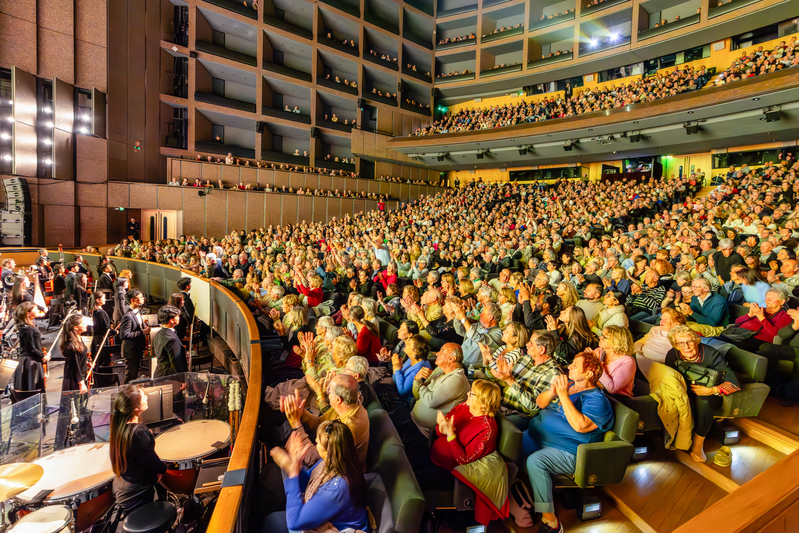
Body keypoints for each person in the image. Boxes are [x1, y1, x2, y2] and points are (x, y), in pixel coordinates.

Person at [524, 352, 615, 533]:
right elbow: (540, 403)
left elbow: (581, 426)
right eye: (571, 363)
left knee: (535, 462)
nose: (569, 367)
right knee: (510, 450)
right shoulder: (570, 385)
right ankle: (523, 504)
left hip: (569, 452)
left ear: (589, 373)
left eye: (575, 365)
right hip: (538, 437)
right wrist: (552, 391)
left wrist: (564, 396)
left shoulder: (597, 399)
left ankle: (551, 523)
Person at [263, 420, 368, 533]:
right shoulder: (336, 461)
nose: (315, 440)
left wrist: (292, 473)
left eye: (318, 442)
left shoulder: (337, 487)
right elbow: (308, 480)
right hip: (329, 518)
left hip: (334, 528)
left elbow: (294, 523)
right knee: (272, 520)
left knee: (272, 523)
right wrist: (296, 464)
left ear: (328, 452)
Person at [429, 379, 505, 525]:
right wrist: (442, 426)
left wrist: (451, 434)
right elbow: (439, 432)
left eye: (473, 394)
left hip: (448, 471)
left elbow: (464, 460)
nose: (467, 394)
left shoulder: (488, 429)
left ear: (483, 404)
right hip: (433, 455)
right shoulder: (464, 406)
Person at [664, 326, 740, 462]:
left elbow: (734, 383)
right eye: (680, 343)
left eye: (689, 341)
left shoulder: (712, 355)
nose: (686, 346)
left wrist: (712, 390)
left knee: (704, 402)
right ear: (675, 345)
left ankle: (698, 445)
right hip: (684, 391)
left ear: (696, 341)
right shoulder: (672, 354)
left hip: (710, 393)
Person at [110, 384, 167, 514]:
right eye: (143, 397)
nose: (146, 397)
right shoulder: (138, 434)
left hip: (123, 486)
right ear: (136, 408)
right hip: (136, 493)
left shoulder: (120, 426)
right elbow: (155, 464)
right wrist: (162, 470)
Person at [411, 343, 470, 438]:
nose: (437, 354)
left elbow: (430, 401)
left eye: (442, 351)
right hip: (412, 419)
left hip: (422, 431)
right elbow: (417, 395)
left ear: (452, 359)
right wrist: (417, 379)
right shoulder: (439, 370)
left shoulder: (457, 379)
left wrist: (422, 385)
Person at [12, 302, 48, 393]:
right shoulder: (27, 328)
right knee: (32, 389)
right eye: (35, 309)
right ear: (28, 313)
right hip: (30, 362)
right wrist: (42, 356)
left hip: (31, 360)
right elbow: (31, 348)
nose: (38, 310)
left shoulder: (27, 327)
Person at [119, 289, 151, 383]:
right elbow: (124, 334)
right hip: (131, 350)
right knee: (130, 376)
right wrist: (142, 332)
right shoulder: (128, 316)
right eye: (140, 297)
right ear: (133, 300)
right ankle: (126, 395)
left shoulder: (138, 311)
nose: (143, 299)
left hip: (137, 348)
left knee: (134, 374)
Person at [595, 325, 636, 397]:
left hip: (618, 400)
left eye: (604, 337)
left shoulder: (627, 361)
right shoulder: (598, 351)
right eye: (602, 335)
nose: (600, 337)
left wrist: (599, 367)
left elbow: (612, 389)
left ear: (616, 342)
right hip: (599, 393)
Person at [392, 334, 431, 403]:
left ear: (415, 351)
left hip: (406, 403)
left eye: (409, 343)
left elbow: (402, 392)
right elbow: (394, 380)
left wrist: (397, 368)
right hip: (396, 390)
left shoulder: (418, 368)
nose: (406, 342)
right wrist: (396, 367)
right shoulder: (412, 359)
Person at [153, 305, 188, 377]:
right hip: (170, 377)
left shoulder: (159, 333)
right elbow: (176, 363)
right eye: (177, 316)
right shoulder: (172, 340)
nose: (179, 318)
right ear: (171, 320)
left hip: (160, 373)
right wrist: (182, 379)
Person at [90, 291, 117, 369]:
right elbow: (106, 327)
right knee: (103, 358)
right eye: (103, 298)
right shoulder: (99, 312)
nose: (105, 299)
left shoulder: (96, 311)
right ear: (98, 300)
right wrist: (114, 332)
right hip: (102, 338)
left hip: (98, 338)